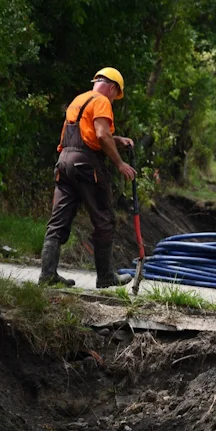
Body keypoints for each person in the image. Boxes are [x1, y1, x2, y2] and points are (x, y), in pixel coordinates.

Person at [38, 67, 137, 287]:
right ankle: (105, 277)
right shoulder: (102, 101)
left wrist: (117, 139)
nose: (113, 98)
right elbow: (101, 135)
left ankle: (47, 275)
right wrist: (119, 163)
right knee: (104, 220)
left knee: (58, 222)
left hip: (64, 162)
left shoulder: (79, 100)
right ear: (112, 88)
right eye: (115, 94)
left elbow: (87, 133)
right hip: (86, 165)